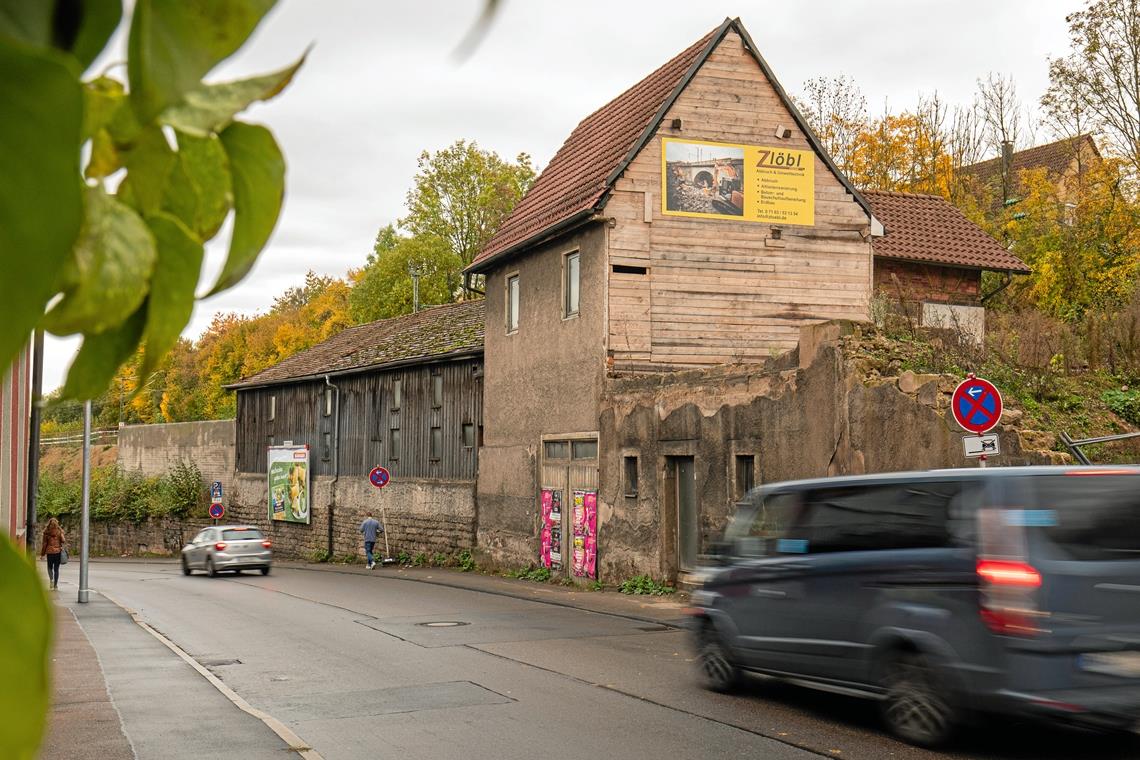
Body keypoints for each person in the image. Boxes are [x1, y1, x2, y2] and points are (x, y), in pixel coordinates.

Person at [40, 517, 67, 590]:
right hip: (57, 552)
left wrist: (42, 554)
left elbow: (44, 544)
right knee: (56, 569)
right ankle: (55, 586)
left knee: (49, 567)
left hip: (49, 552)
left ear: (49, 523)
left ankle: (51, 580)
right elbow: (63, 540)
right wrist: (61, 535)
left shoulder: (46, 531)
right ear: (57, 523)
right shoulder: (59, 531)